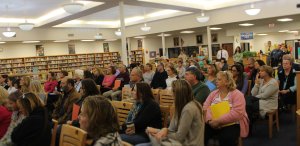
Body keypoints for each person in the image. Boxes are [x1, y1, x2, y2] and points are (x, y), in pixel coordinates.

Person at [145, 80, 204, 146]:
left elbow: (179, 137)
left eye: (172, 91)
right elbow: (171, 129)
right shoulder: (180, 105)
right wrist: (162, 130)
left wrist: (159, 132)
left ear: (178, 94)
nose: (171, 94)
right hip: (178, 142)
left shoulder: (189, 108)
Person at [204, 71, 249, 146]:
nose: (216, 81)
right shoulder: (213, 93)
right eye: (216, 79)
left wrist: (218, 121)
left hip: (232, 123)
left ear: (227, 82)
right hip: (212, 121)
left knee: (226, 138)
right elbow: (205, 107)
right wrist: (209, 121)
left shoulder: (237, 94)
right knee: (201, 133)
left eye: (219, 79)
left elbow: (237, 113)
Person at [247, 65, 278, 133]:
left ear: (267, 72)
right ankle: (250, 123)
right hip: (260, 100)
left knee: (248, 104)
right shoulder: (261, 81)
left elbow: (265, 96)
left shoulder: (273, 82)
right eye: (259, 71)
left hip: (269, 103)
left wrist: (254, 98)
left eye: (261, 71)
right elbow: (253, 93)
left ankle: (249, 126)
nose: (259, 73)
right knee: (248, 101)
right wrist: (256, 84)